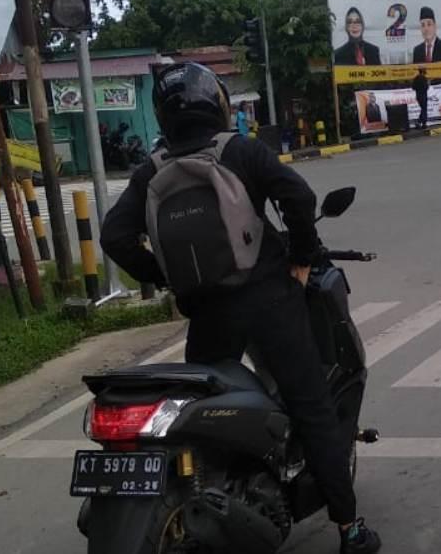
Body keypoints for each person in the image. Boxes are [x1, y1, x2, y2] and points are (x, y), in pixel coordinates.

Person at [100, 62, 382, 554]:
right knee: (312, 407)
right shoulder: (240, 150)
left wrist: (168, 277)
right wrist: (299, 258)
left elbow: (114, 236)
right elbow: (298, 196)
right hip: (269, 301)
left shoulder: (153, 169)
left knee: (203, 408)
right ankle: (349, 529)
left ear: (163, 113)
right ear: (217, 103)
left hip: (208, 314)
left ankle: (213, 495)